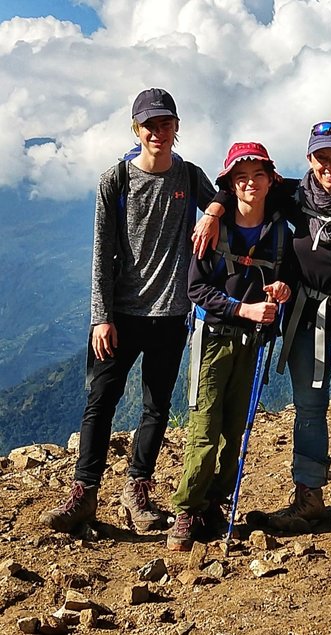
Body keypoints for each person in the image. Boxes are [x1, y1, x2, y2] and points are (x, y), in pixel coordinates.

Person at [194, 122, 331, 549]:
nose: (329, 165)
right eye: (321, 157)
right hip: (305, 321)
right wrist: (213, 210)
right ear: (308, 160)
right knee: (308, 408)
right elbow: (244, 185)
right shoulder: (294, 196)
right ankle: (309, 500)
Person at [40, 88, 216, 534]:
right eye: (149, 125)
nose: (158, 132)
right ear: (136, 130)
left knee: (156, 409)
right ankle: (84, 492)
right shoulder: (114, 180)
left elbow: (227, 202)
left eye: (166, 124)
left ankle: (136, 489)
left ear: (177, 128)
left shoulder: (190, 177)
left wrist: (212, 211)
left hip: (172, 316)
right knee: (100, 404)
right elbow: (101, 254)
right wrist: (101, 317)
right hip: (119, 317)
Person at [167, 142, 292, 551]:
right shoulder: (214, 230)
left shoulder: (278, 231)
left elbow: (286, 279)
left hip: (250, 343)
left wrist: (281, 289)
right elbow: (196, 289)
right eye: (241, 178)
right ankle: (187, 510)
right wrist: (245, 310)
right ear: (230, 184)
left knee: (234, 428)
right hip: (214, 340)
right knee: (205, 427)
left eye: (258, 176)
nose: (250, 184)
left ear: (271, 179)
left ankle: (214, 505)